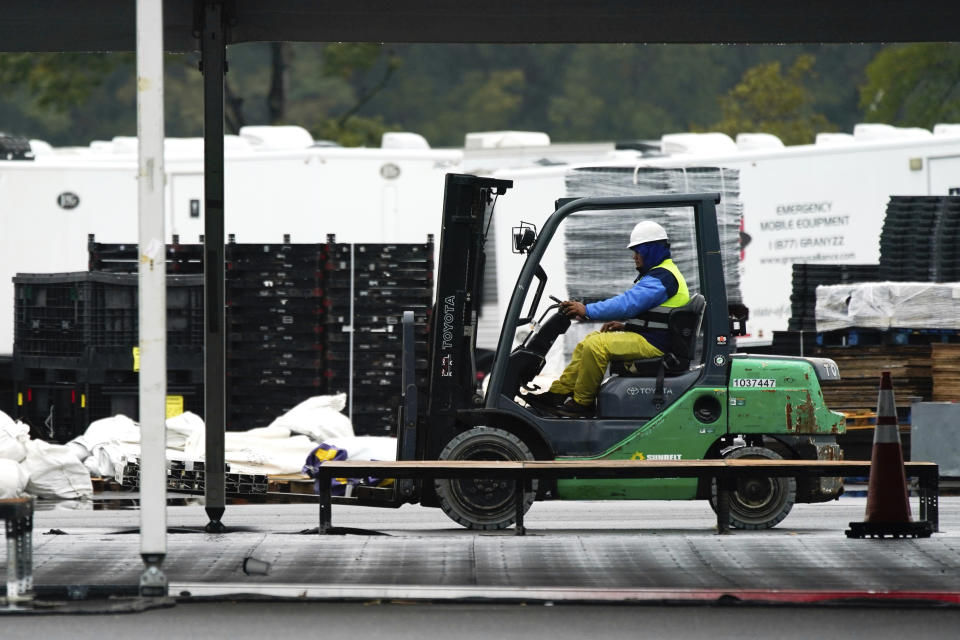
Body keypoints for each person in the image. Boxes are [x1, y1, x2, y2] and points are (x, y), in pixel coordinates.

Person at [525, 220, 689, 417]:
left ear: (650, 250)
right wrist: (626, 327)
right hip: (653, 337)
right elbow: (654, 315)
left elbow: (628, 304)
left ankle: (582, 404)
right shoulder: (661, 275)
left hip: (656, 343)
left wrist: (586, 310)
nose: (635, 257)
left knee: (597, 346)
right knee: (588, 342)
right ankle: (559, 393)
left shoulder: (663, 277)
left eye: (638, 251)